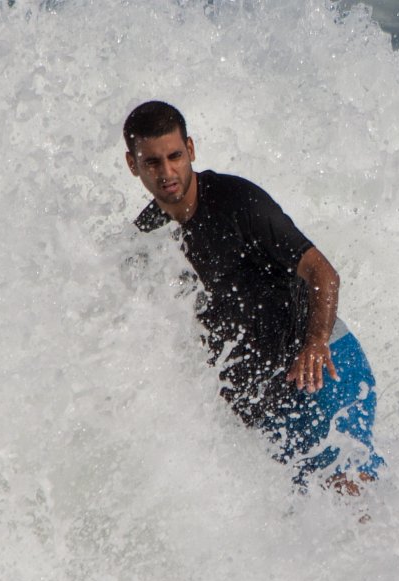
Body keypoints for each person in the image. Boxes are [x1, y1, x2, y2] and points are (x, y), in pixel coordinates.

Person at [123, 100, 384, 494]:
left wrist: (314, 344)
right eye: (152, 162)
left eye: (175, 156)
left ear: (190, 150)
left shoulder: (238, 202)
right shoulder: (147, 239)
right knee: (309, 522)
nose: (166, 172)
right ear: (133, 165)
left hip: (320, 367)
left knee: (349, 492)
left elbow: (323, 273)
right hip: (264, 402)